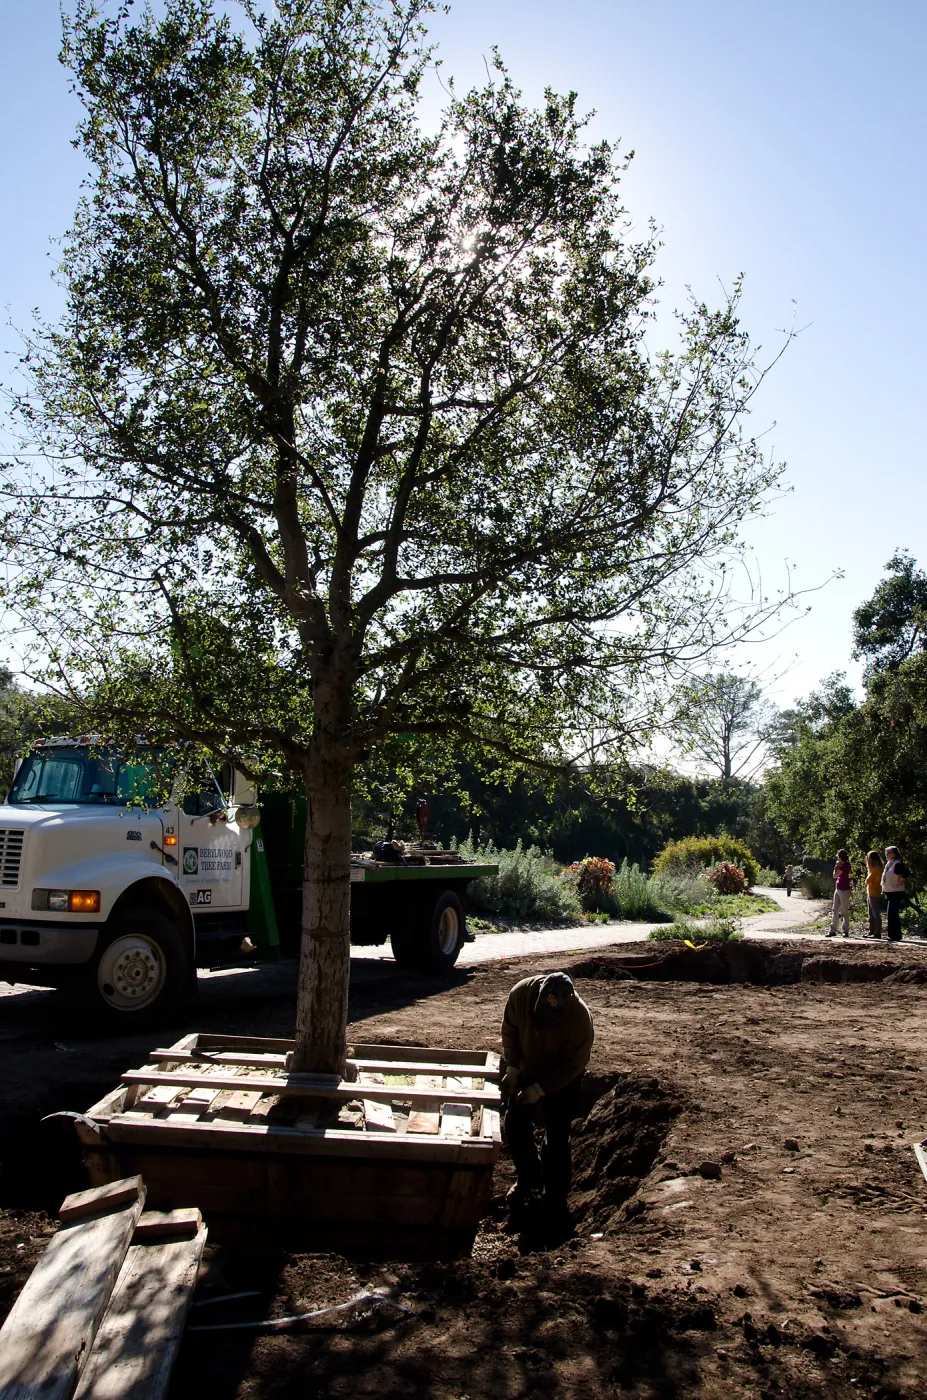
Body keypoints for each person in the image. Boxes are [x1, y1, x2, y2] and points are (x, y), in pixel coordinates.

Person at [501, 971, 595, 1219]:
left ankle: (554, 1199)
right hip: (526, 1067)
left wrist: (541, 1089)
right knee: (514, 1122)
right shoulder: (521, 993)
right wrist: (512, 1067)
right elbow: (509, 1030)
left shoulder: (580, 1019)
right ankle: (528, 1180)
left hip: (561, 1078)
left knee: (557, 1136)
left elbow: (573, 1064)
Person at [881, 846, 910, 943]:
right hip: (891, 892)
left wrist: (901, 879)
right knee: (892, 914)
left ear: (893, 854)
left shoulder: (897, 864)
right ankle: (894, 935)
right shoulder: (889, 864)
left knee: (892, 913)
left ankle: (895, 935)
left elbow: (906, 872)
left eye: (888, 853)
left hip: (896, 891)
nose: (886, 855)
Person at [826, 848, 853, 938]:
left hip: (844, 889)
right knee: (835, 909)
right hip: (838, 888)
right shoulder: (844, 865)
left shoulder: (845, 866)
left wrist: (836, 867)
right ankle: (832, 930)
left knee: (844, 910)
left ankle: (845, 930)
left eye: (838, 856)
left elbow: (835, 875)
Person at [865, 850, 885, 939]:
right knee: (871, 914)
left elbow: (868, 881)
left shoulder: (876, 869)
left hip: (875, 892)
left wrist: (870, 883)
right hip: (871, 892)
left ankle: (877, 932)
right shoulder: (874, 868)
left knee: (875, 913)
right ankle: (871, 931)